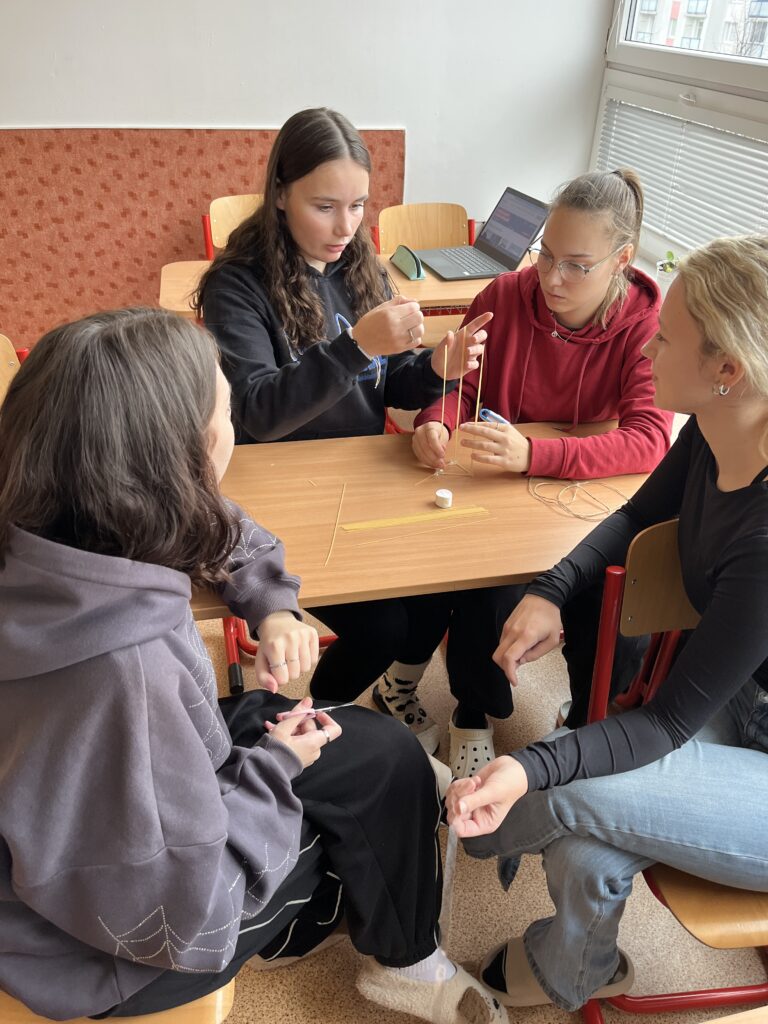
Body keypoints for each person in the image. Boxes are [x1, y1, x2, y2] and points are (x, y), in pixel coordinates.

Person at [0, 308, 503, 1024]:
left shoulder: (58, 521)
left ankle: (365, 866)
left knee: (374, 753)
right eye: (227, 414)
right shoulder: (126, 677)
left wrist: (271, 608)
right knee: (365, 789)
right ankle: (403, 957)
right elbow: (186, 915)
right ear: (186, 457)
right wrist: (276, 770)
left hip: (81, 820)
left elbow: (221, 525)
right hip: (111, 952)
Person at [445, 235, 768, 1011]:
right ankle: (581, 971)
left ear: (728, 369)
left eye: (667, 337)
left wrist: (525, 771)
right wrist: (552, 590)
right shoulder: (718, 428)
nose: (648, 346)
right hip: (738, 704)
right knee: (585, 839)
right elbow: (635, 517)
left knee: (564, 790)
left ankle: (453, 831)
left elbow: (662, 725)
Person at [197, 107, 489, 752]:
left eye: (358, 206)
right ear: (280, 194)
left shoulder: (362, 266)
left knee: (435, 591)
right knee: (382, 627)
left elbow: (390, 383)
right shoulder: (236, 286)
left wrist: (433, 369)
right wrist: (355, 346)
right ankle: (308, 726)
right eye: (324, 206)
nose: (345, 226)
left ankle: (375, 700)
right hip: (279, 492)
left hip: (357, 478)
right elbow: (256, 411)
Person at [408, 169, 673, 775]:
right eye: (546, 254)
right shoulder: (502, 296)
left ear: (622, 259)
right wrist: (436, 421)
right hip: (499, 495)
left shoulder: (645, 325)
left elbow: (650, 439)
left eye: (577, 265)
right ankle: (473, 711)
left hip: (579, 505)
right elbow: (459, 387)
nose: (552, 278)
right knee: (485, 591)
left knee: (614, 605)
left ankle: (587, 723)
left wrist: (534, 455)